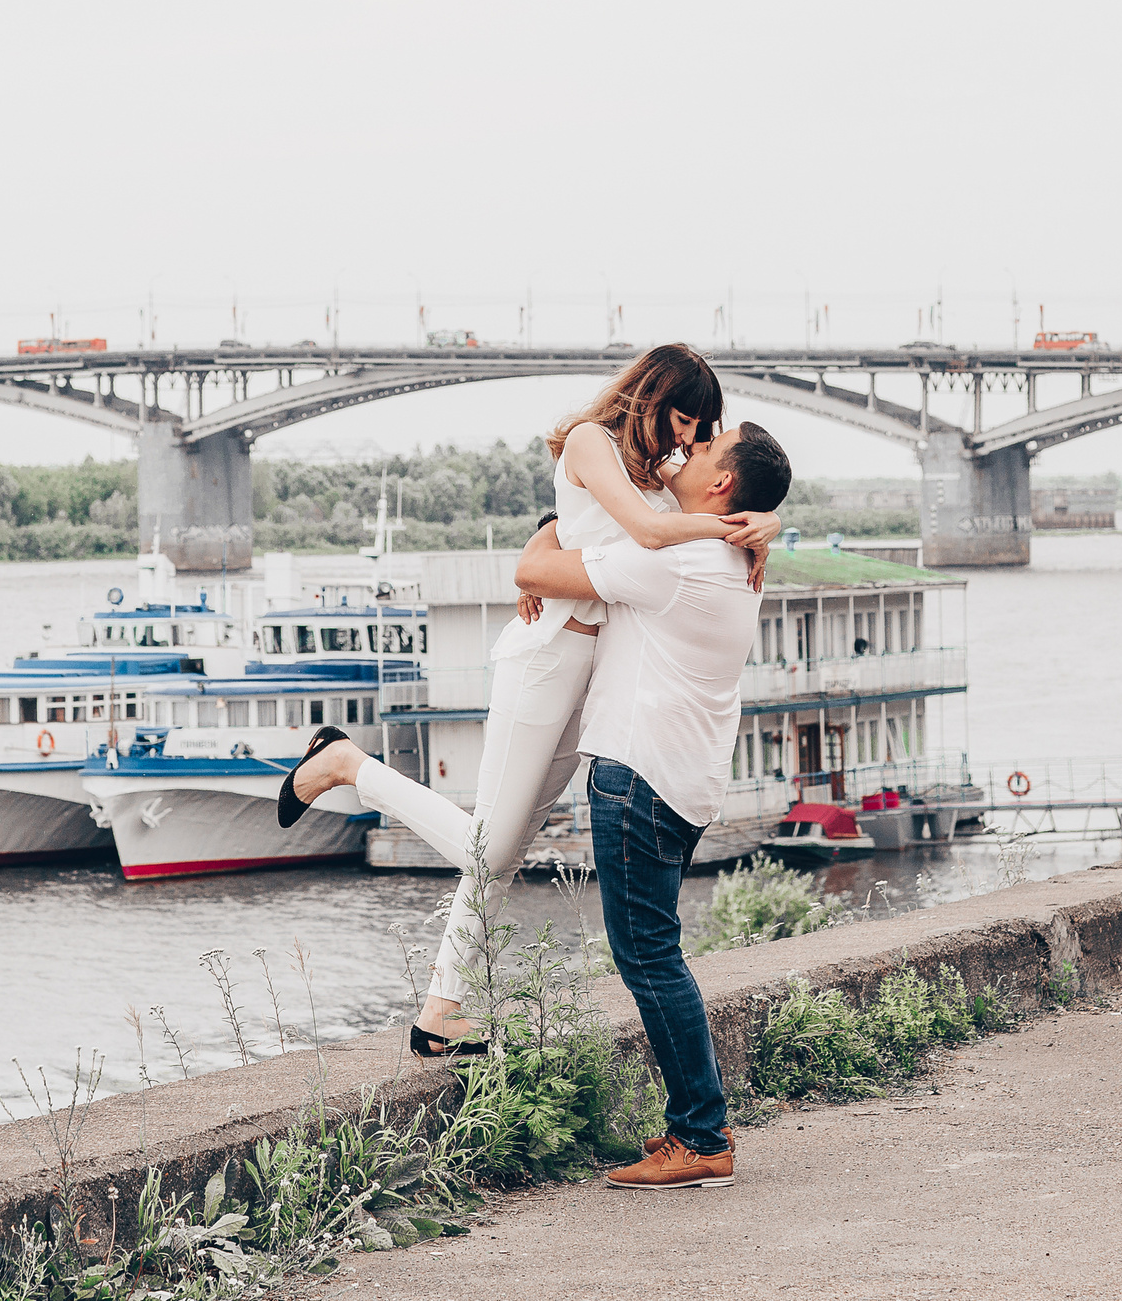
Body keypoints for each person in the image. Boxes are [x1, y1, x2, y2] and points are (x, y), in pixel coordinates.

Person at [277, 345, 781, 1055]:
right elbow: (642, 533)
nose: (691, 439)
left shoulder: (660, 468)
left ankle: (439, 1011)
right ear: (652, 394)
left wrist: (766, 522)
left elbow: (572, 525)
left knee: (503, 851)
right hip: (548, 658)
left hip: (594, 674)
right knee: (490, 847)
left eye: (703, 431)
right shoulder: (592, 440)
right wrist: (740, 527)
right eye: (686, 419)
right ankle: (350, 764)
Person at [512, 419, 791, 1189]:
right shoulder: (734, 554)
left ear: (722, 483)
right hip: (684, 778)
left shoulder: (676, 558)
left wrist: (554, 520)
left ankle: (701, 1135)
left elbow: (536, 570)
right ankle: (699, 1128)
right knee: (659, 954)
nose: (686, 450)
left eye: (703, 448)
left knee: (649, 959)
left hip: (637, 775)